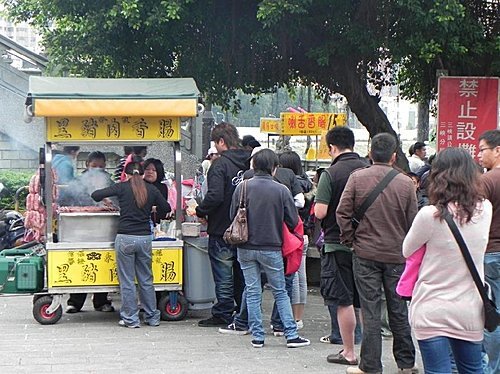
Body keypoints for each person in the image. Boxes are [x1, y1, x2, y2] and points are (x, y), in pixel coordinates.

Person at [402, 147, 492, 373]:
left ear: (437, 176)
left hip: (432, 308)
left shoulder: (429, 215)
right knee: (473, 370)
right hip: (469, 310)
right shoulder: (486, 209)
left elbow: (406, 250)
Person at [336, 133, 418, 374]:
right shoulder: (405, 183)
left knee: (370, 310)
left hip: (365, 253)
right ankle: (406, 364)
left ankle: (370, 365)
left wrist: (351, 239)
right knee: (398, 310)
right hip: (396, 256)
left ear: (370, 153)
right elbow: (413, 220)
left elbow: (342, 213)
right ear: (394, 156)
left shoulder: (357, 178)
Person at [231, 148, 310, 348]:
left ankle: (257, 336)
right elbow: (293, 221)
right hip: (272, 247)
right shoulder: (281, 190)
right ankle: (291, 335)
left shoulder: (242, 187)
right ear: (274, 168)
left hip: (245, 246)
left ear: (254, 166)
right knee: (280, 291)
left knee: (252, 290)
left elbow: (232, 214)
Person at [91, 162, 171, 328]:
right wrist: (151, 207)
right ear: (142, 174)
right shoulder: (152, 189)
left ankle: (131, 319)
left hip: (125, 238)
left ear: (125, 175)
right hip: (144, 239)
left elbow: (95, 194)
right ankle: (152, 317)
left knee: (127, 281)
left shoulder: (121, 187)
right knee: (146, 279)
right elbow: (167, 208)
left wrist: (105, 198)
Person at [314, 127, 367, 366]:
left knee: (344, 300)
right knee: (367, 300)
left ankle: (348, 352)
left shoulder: (331, 173)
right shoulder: (369, 169)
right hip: (368, 245)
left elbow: (320, 211)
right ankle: (369, 353)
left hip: (338, 244)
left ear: (332, 148)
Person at [195, 122, 251, 327]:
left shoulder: (220, 165)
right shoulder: (250, 162)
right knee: (243, 273)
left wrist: (201, 210)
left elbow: (215, 196)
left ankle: (224, 312)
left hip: (222, 228)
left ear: (221, 141)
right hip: (248, 229)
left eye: (215, 143)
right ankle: (244, 311)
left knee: (224, 273)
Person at [66, 151, 115, 314]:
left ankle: (101, 301)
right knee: (80, 263)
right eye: (94, 166)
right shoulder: (78, 181)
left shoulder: (109, 181)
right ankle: (74, 302)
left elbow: (116, 200)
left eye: (101, 166)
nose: (98, 169)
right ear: (87, 165)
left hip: (103, 227)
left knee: (102, 263)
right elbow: (68, 199)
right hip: (80, 227)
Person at [278, 150, 312, 329]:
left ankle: (291, 317)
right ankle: (299, 317)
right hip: (304, 233)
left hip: (291, 234)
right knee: (301, 276)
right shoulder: (307, 182)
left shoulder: (290, 184)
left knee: (291, 275)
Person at [478, 129, 500, 374]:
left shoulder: (486, 181)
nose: (479, 154)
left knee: (493, 316)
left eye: (483, 149)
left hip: (492, 253)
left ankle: (493, 369)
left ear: (498, 150)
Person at [143, 158, 169, 224]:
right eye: (147, 169)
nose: (150, 172)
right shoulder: (138, 186)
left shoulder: (162, 187)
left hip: (157, 224)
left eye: (154, 170)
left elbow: (163, 208)